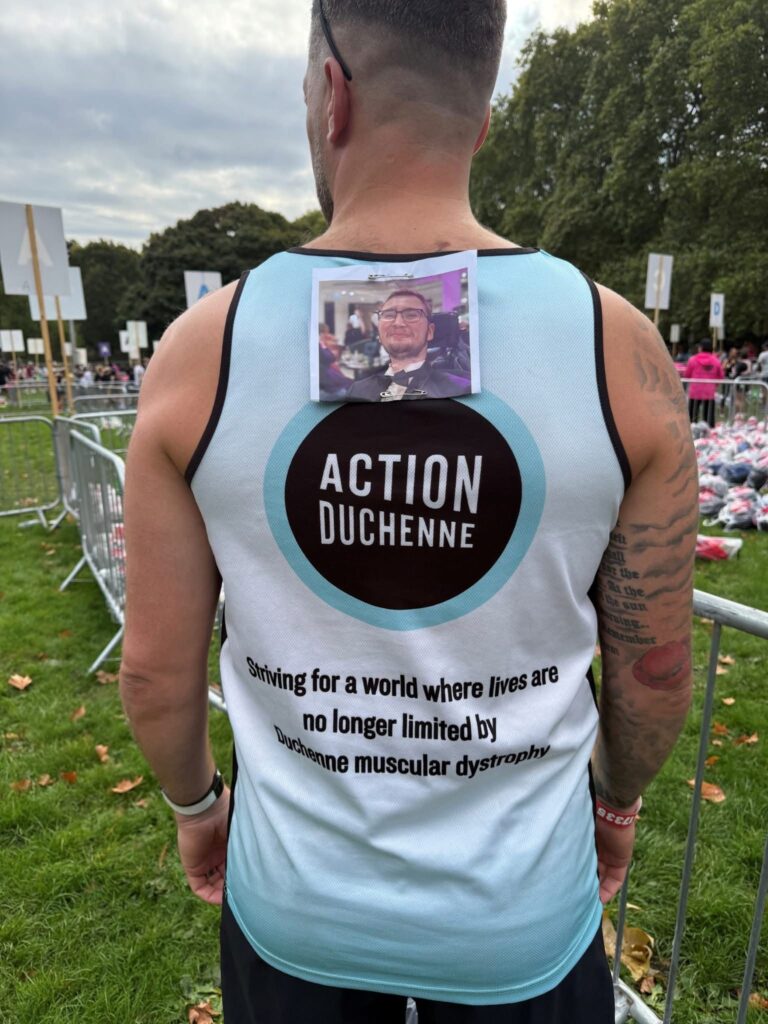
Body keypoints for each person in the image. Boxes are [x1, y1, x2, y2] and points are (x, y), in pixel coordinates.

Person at [120, 3, 697, 1022]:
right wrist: (613, 805)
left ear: (331, 96)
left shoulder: (201, 352)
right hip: (523, 917)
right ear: (482, 119)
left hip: (297, 913)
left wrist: (197, 808)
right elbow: (654, 673)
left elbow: (156, 676)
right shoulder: (620, 349)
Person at [346, 289, 470, 400]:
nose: (398, 323)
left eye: (411, 315)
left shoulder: (461, 390)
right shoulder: (357, 390)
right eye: (389, 315)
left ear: (429, 331)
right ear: (380, 334)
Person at [685, 339, 725, 426]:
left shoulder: (692, 359)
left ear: (700, 348)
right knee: (709, 417)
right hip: (709, 392)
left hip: (695, 391)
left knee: (692, 417)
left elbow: (687, 374)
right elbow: (721, 376)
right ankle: (709, 431)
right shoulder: (716, 361)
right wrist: (714, 384)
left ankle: (691, 430)